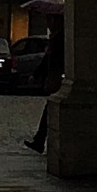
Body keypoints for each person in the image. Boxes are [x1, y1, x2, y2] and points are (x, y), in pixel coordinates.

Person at [24, 19, 66, 152]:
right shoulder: (57, 37)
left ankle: (40, 140)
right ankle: (39, 140)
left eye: (50, 19)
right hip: (56, 77)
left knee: (50, 110)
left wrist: (37, 75)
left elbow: (50, 60)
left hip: (57, 78)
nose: (48, 23)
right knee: (49, 110)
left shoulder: (59, 38)